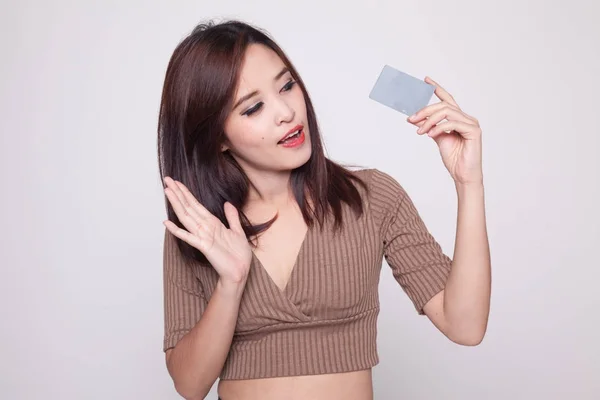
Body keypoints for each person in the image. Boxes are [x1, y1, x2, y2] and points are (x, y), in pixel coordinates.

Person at [157, 19, 491, 400]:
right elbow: (189, 384)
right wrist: (231, 283)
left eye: (287, 85)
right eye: (253, 108)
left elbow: (465, 326)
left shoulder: (372, 197)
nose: (286, 111)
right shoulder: (201, 229)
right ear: (217, 138)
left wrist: (469, 182)